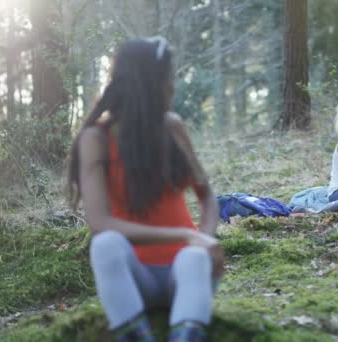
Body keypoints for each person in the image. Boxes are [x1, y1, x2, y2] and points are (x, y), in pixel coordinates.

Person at [68, 37, 223, 342]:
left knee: (194, 258)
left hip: (186, 271)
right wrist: (185, 234)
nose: (173, 87)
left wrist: (204, 238)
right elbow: (100, 224)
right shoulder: (95, 139)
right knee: (105, 245)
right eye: (168, 79)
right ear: (148, 83)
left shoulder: (172, 126)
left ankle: (188, 335)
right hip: (134, 276)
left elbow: (207, 197)